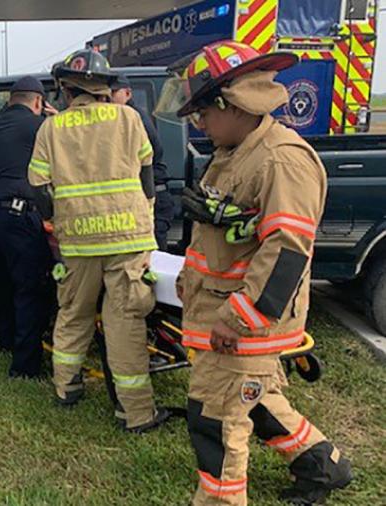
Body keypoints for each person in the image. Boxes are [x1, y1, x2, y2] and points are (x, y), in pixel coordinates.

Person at [173, 41, 352, 505]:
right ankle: (323, 465)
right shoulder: (235, 151)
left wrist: (238, 318)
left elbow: (288, 250)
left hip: (242, 322)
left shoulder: (281, 159)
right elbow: (231, 236)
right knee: (256, 400)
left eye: (203, 114)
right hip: (223, 312)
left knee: (216, 422)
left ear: (231, 104)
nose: (200, 125)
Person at [28, 49, 170, 432]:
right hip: (128, 238)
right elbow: (147, 175)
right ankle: (136, 414)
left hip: (77, 243)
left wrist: (52, 220)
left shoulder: (51, 129)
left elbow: (39, 186)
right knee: (125, 323)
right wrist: (148, 215)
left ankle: (66, 389)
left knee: (73, 314)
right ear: (106, 87)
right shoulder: (129, 118)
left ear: (65, 89)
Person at [0, 75, 55, 378]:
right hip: (18, 217)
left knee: (4, 285)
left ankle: (5, 340)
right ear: (38, 102)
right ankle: (25, 367)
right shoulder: (41, 126)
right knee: (30, 289)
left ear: (11, 100)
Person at [110, 75, 175, 251]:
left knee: (154, 260)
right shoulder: (125, 117)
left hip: (153, 195)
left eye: (114, 92)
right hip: (148, 194)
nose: (109, 97)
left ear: (128, 93)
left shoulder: (133, 119)